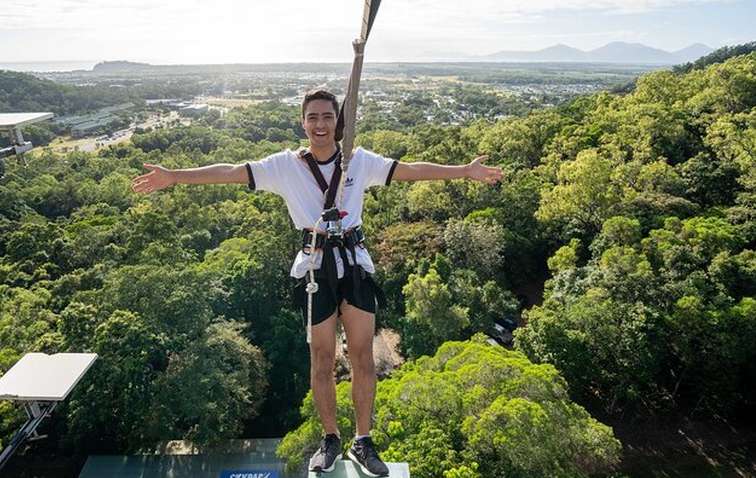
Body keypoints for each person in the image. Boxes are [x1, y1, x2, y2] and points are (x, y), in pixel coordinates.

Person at [132, 89, 503, 477]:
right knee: (322, 358)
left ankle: (363, 440)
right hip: (313, 268)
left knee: (362, 357)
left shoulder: (359, 161)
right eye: (313, 117)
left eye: (328, 117)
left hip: (355, 264)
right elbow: (228, 172)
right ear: (303, 122)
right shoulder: (285, 167)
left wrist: (465, 170)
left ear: (338, 123)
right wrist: (174, 177)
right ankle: (330, 438)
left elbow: (410, 169)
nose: (321, 124)